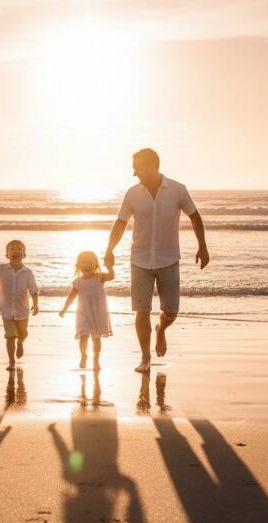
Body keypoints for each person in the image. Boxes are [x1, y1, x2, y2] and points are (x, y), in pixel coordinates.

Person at [104, 148, 210, 373]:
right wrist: (109, 249)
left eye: (137, 167)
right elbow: (121, 221)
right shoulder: (133, 193)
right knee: (141, 311)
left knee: (171, 311)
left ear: (152, 166)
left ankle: (161, 329)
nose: (134, 173)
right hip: (139, 260)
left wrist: (202, 246)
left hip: (168, 259)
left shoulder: (177, 190)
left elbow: (194, 216)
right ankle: (145, 358)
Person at [0, 240, 40, 370]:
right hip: (6, 311)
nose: (15, 251)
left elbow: (34, 290)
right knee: (10, 336)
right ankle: (11, 362)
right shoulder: (1, 269)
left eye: (19, 249)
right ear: (7, 255)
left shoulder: (28, 273)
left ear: (24, 255)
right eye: (12, 249)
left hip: (22, 311)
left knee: (22, 334)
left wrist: (36, 304)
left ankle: (21, 343)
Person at [59, 251, 114, 370]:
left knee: (96, 338)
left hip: (98, 313)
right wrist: (64, 309)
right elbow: (71, 296)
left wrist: (110, 267)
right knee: (83, 336)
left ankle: (96, 359)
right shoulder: (78, 281)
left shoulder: (100, 277)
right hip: (82, 313)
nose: (86, 264)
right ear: (78, 265)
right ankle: (83, 355)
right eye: (83, 262)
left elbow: (111, 276)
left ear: (95, 264)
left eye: (90, 262)